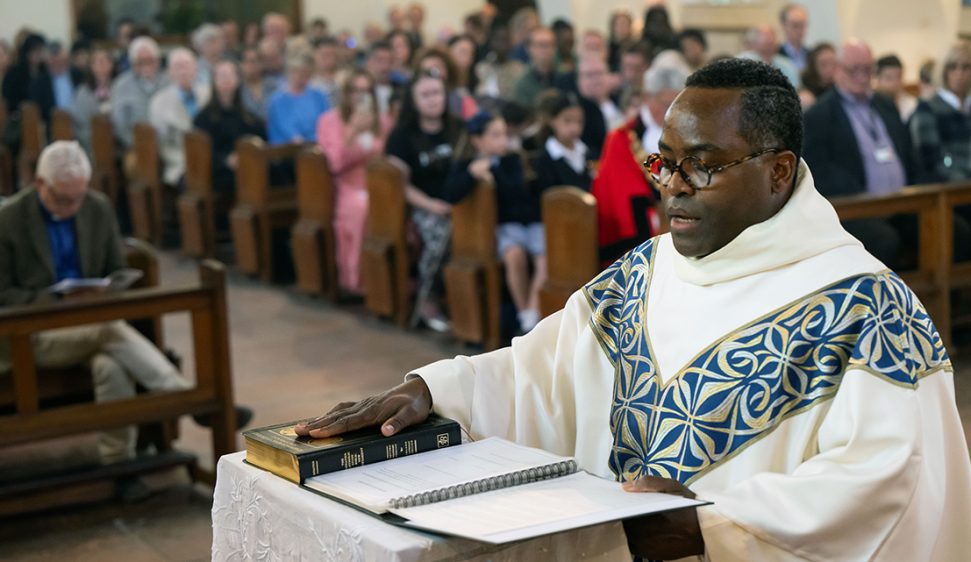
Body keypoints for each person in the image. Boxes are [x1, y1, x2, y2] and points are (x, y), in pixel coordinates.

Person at [295, 58, 971, 561]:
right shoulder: (645, 272)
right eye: (663, 163)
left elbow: (890, 480)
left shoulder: (867, 307)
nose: (672, 187)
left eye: (701, 165)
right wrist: (433, 388)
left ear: (778, 171)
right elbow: (539, 374)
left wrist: (711, 523)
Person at [0, 142, 189, 467]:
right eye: (63, 199)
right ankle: (182, 395)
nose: (73, 207)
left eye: (79, 197)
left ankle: (119, 465)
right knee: (108, 331)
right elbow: (3, 295)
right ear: (40, 184)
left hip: (91, 323)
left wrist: (105, 289)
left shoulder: (97, 207)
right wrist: (55, 298)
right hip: (33, 335)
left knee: (110, 366)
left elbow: (116, 270)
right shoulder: (9, 219)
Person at [804, 39, 970, 268]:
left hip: (904, 202)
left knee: (954, 231)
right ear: (837, 70)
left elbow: (909, 158)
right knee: (884, 240)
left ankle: (942, 291)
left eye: (868, 69)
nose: (862, 76)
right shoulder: (820, 115)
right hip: (856, 207)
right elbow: (821, 171)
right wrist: (865, 196)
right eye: (854, 70)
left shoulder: (885, 105)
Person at [445, 112, 547, 333]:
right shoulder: (466, 165)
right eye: (495, 135)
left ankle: (532, 312)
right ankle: (525, 315)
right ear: (477, 140)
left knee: (545, 257)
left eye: (504, 134)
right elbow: (452, 194)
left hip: (529, 223)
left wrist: (494, 173)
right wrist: (472, 174)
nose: (503, 140)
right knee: (514, 255)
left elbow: (519, 194)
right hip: (502, 227)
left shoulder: (512, 160)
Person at [384, 69, 462, 331]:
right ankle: (428, 298)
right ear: (414, 100)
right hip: (422, 207)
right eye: (425, 95)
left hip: (459, 204)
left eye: (437, 93)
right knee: (440, 234)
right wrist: (431, 205)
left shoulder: (457, 128)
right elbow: (400, 185)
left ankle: (467, 303)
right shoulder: (401, 136)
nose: (433, 99)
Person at [593, 61, 689, 263]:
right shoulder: (622, 138)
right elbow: (622, 195)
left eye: (678, 105)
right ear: (647, 97)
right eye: (666, 104)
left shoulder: (690, 134)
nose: (672, 112)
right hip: (642, 235)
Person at [315, 69, 390, 294]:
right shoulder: (330, 121)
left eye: (366, 91)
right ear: (346, 94)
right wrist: (353, 131)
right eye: (356, 91)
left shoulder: (383, 121)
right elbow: (335, 163)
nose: (361, 96)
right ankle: (358, 278)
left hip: (380, 183)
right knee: (362, 208)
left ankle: (389, 277)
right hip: (348, 185)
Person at [193, 59, 266, 197]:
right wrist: (226, 160)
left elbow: (262, 143)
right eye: (221, 75)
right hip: (220, 173)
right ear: (214, 81)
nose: (226, 79)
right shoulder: (203, 119)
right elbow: (202, 153)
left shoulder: (250, 118)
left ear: (238, 79)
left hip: (248, 167)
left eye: (230, 75)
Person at [909, 42, 971, 183]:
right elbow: (932, 160)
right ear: (943, 71)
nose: (959, 74)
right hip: (949, 189)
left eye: (966, 67)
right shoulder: (927, 109)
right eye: (953, 67)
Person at [149, 48, 209, 186]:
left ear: (195, 69)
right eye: (178, 67)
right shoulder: (159, 102)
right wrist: (189, 160)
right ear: (170, 72)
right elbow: (162, 143)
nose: (183, 71)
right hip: (179, 162)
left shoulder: (209, 94)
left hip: (210, 157)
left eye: (187, 65)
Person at [111, 36, 167, 151]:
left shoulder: (168, 82)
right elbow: (119, 124)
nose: (146, 66)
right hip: (135, 145)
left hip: (166, 145)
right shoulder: (121, 85)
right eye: (140, 62)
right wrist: (139, 145)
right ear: (133, 64)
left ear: (158, 61)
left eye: (150, 61)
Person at [534, 91, 593, 192]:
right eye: (567, 121)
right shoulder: (546, 159)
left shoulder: (588, 152)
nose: (574, 128)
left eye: (579, 121)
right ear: (552, 120)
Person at [266, 53, 330, 145]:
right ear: (290, 72)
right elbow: (285, 128)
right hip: (287, 148)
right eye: (299, 72)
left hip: (317, 145)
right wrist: (300, 142)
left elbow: (327, 122)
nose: (303, 75)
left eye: (306, 72)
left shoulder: (318, 96)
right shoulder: (277, 101)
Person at [71, 48, 115, 156]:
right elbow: (80, 124)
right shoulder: (83, 92)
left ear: (112, 64)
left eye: (104, 61)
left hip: (116, 142)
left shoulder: (120, 87)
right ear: (90, 67)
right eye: (96, 62)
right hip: (90, 144)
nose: (100, 66)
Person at [576, 56, 622, 159]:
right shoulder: (577, 111)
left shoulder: (621, 101)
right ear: (579, 81)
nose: (596, 80)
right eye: (589, 75)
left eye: (599, 73)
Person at [29, 40, 83, 121]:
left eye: (60, 60)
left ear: (66, 58)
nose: (57, 63)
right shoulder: (38, 84)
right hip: (52, 124)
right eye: (53, 61)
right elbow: (39, 112)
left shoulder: (79, 76)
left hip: (79, 122)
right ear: (46, 61)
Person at [474, 25, 526, 101]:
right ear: (491, 42)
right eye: (497, 40)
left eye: (505, 40)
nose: (501, 44)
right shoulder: (482, 68)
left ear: (511, 43)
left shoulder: (519, 68)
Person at [513, 27, 557, 107]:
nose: (546, 50)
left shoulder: (564, 76)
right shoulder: (522, 82)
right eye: (541, 45)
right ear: (529, 48)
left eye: (550, 44)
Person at [876, 54, 919, 122]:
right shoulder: (870, 107)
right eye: (888, 78)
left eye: (898, 77)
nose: (894, 83)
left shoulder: (913, 106)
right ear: (878, 80)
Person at [239, 45, 276, 120]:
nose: (250, 66)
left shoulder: (273, 85)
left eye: (253, 61)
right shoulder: (238, 90)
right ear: (242, 65)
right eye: (246, 62)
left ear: (261, 64)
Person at [309, 37, 342, 105]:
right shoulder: (307, 81)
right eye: (322, 54)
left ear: (336, 57)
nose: (325, 58)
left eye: (329, 55)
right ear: (314, 55)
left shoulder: (344, 80)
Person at [192, 23, 226, 88]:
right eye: (209, 42)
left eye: (216, 41)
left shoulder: (229, 64)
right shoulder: (194, 67)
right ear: (199, 45)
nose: (214, 46)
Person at [778, 3, 810, 72]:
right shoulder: (776, 55)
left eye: (802, 25)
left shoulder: (812, 55)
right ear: (784, 26)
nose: (800, 30)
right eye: (795, 25)